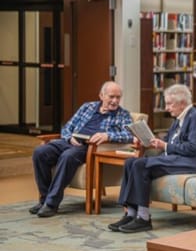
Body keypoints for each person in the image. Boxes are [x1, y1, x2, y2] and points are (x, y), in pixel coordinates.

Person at [108, 84, 196, 233]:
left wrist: (165, 146)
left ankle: (143, 217)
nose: (167, 108)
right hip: (176, 159)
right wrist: (149, 143)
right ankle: (130, 213)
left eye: (170, 104)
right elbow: (168, 141)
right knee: (131, 162)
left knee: (140, 165)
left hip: (192, 162)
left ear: (182, 103)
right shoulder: (178, 119)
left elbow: (193, 148)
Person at [31, 81, 133, 218]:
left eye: (118, 97)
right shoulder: (87, 107)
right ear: (101, 96)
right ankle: (44, 199)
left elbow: (130, 135)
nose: (115, 101)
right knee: (40, 152)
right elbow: (68, 127)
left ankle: (51, 204)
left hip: (89, 147)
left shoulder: (123, 115)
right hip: (70, 141)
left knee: (67, 156)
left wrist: (107, 135)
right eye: (111, 96)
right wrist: (69, 138)